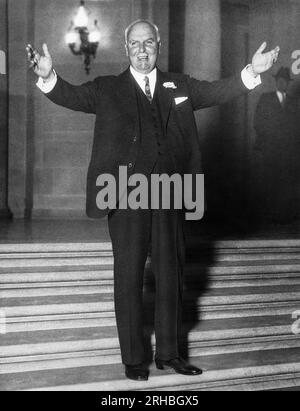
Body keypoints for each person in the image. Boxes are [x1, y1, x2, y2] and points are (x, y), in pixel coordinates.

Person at [27, 20, 279, 382]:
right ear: (126, 49)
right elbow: (70, 95)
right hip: (123, 190)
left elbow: (218, 91)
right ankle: (133, 358)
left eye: (148, 43)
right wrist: (48, 76)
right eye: (135, 44)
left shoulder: (180, 84)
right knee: (128, 274)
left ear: (158, 45)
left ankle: (170, 354)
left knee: (171, 272)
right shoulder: (108, 88)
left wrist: (251, 72)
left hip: (171, 190)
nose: (142, 49)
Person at [254, 67, 300, 223]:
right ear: (276, 82)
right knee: (270, 181)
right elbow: (258, 122)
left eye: (285, 81)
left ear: (287, 83)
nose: (282, 83)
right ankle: (270, 216)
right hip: (270, 150)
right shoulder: (265, 99)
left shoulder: (294, 102)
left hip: (289, 152)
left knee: (287, 182)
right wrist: (269, 141)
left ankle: (286, 216)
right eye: (279, 80)